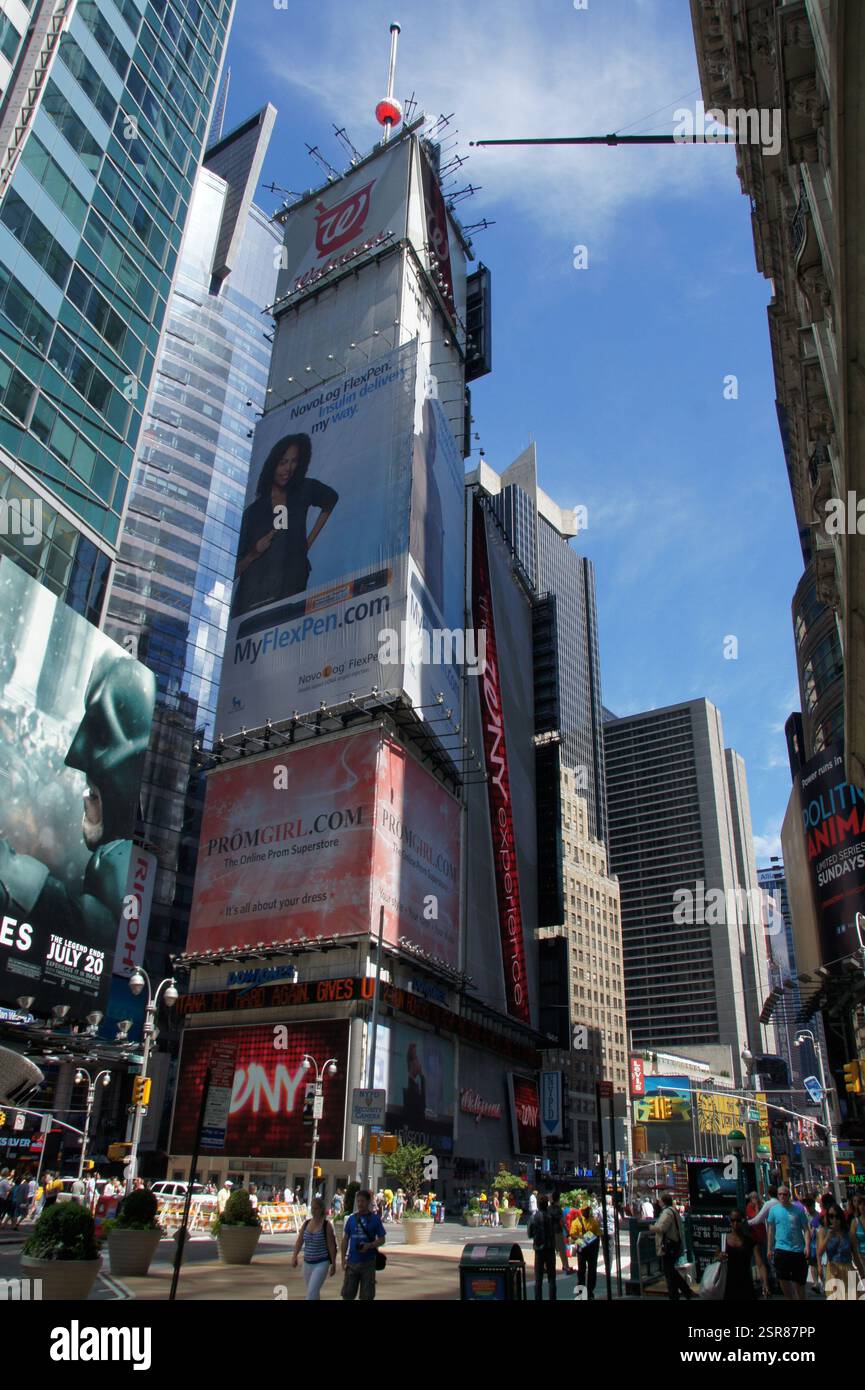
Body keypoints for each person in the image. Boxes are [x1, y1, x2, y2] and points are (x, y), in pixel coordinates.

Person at [231, 433, 338, 619]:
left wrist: (307, 543)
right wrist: (254, 553)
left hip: (288, 592)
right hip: (251, 604)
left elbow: (331, 499)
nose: (287, 469)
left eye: (293, 461)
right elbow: (235, 570)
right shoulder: (253, 512)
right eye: (282, 462)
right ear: (272, 464)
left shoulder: (303, 489)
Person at [766, 1184, 810, 1301]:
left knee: (799, 1283)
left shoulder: (798, 1210)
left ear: (789, 1195)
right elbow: (770, 1230)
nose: (782, 1196)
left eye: (785, 1194)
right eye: (780, 1194)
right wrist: (769, 1248)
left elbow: (806, 1229)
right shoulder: (773, 1210)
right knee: (783, 1280)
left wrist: (807, 1246)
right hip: (781, 1250)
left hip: (797, 1251)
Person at [341, 1189, 386, 1301]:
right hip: (352, 1262)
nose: (360, 1204)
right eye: (358, 1201)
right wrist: (343, 1259)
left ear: (368, 1202)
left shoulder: (375, 1219)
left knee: (367, 1295)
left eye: (362, 1201)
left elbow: (382, 1239)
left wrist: (370, 1245)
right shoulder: (351, 1219)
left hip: (368, 1263)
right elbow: (345, 1239)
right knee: (347, 1294)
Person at [650, 1192, 695, 1301]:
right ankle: (679, 1292)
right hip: (674, 1245)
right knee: (670, 1271)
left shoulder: (667, 1212)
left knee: (669, 1272)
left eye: (660, 1200)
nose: (658, 1201)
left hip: (669, 1246)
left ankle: (682, 1292)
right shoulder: (673, 1211)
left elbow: (662, 1228)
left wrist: (651, 1227)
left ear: (663, 1201)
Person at [292, 1196, 338, 1300]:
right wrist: (294, 1256)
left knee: (311, 1294)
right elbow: (300, 1241)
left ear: (321, 1209)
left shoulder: (326, 1226)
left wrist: (333, 1264)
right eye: (312, 1208)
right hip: (307, 1263)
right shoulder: (306, 1224)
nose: (313, 1211)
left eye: (316, 1208)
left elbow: (331, 1246)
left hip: (321, 1262)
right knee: (313, 1292)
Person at [719, 1210, 769, 1301]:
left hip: (746, 1284)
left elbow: (760, 1265)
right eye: (732, 1220)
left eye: (738, 1220)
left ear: (743, 1221)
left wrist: (765, 1283)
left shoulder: (750, 1241)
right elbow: (715, 1260)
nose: (735, 1223)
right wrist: (719, 1257)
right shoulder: (723, 1240)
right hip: (728, 1285)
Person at [817, 1206, 865, 1298]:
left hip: (848, 1269)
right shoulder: (824, 1231)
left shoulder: (849, 1234)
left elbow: (856, 1256)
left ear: (841, 1218)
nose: (834, 1219)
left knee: (852, 1297)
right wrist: (828, 1237)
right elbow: (819, 1253)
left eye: (837, 1216)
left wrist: (863, 1276)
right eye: (831, 1216)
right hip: (833, 1271)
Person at [528, 1195, 557, 1301]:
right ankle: (552, 1298)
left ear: (539, 1205)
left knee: (538, 1279)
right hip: (550, 1248)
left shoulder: (533, 1217)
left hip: (539, 1249)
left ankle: (538, 1298)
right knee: (551, 1278)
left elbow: (530, 1234)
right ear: (546, 1205)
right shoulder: (551, 1217)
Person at [571, 1204, 601, 1298]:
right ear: (581, 1211)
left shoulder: (594, 1221)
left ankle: (590, 1290)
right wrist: (582, 1242)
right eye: (585, 1210)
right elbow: (572, 1235)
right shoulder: (576, 1222)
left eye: (588, 1210)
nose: (587, 1211)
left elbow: (598, 1235)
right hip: (582, 1249)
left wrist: (592, 1244)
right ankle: (581, 1290)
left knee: (592, 1270)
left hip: (592, 1250)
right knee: (581, 1271)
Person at [549, 1195, 573, 1274]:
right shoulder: (558, 1209)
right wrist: (567, 1232)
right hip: (558, 1231)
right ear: (558, 1200)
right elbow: (562, 1221)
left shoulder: (548, 1208)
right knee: (562, 1250)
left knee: (550, 1250)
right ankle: (565, 1266)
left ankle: (547, 1266)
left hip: (550, 1232)